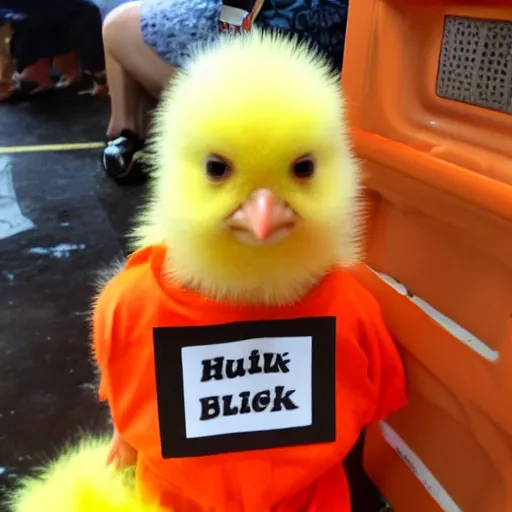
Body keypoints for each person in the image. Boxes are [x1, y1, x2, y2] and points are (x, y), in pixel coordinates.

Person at [101, 0, 350, 184]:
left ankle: (125, 133)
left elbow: (233, 15)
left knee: (117, 25)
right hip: (338, 39)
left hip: (270, 30)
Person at [0, 0, 106, 100]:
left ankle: (89, 73)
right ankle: (37, 76)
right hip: (43, 18)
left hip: (76, 17)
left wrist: (99, 76)